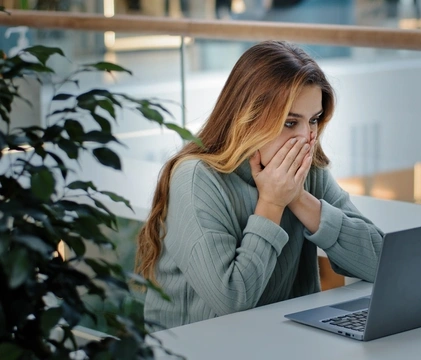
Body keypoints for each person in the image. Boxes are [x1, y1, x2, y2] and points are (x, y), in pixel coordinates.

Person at [136, 40, 384, 329]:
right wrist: (272, 203)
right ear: (247, 118)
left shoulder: (307, 172)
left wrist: (298, 198)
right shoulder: (196, 179)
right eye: (290, 123)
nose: (307, 138)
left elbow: (381, 264)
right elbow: (232, 300)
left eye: (313, 120)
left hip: (283, 342)